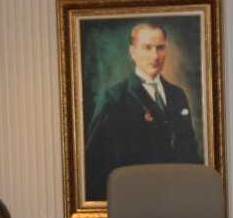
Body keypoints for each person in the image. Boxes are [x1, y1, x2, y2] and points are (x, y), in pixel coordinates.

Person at [83, 22, 201, 201]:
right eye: (147, 48)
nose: (155, 56)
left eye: (160, 48)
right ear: (133, 52)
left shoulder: (177, 95)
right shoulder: (114, 98)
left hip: (178, 199)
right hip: (136, 200)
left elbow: (190, 153)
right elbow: (96, 163)